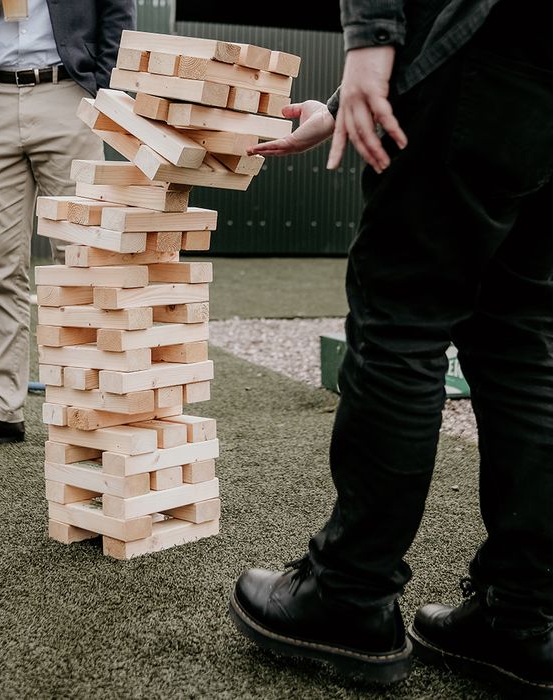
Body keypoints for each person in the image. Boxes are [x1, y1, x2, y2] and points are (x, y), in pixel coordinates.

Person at [228, 0, 553, 696]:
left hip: (477, 45)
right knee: (520, 337)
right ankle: (523, 616)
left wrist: (371, 41)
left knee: (402, 315)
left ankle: (349, 593)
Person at [0, 0, 136, 450]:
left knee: (80, 260)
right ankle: (2, 407)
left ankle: (85, 405)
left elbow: (117, 8)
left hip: (68, 94)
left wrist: (104, 87)